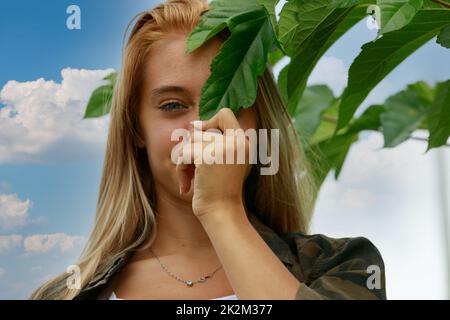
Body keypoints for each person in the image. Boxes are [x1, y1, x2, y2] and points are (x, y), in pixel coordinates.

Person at [30, 0, 386, 300]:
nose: (204, 129)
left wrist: (221, 210)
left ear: (260, 124)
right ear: (137, 128)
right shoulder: (64, 294)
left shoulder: (344, 264)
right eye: (172, 106)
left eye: (231, 103)